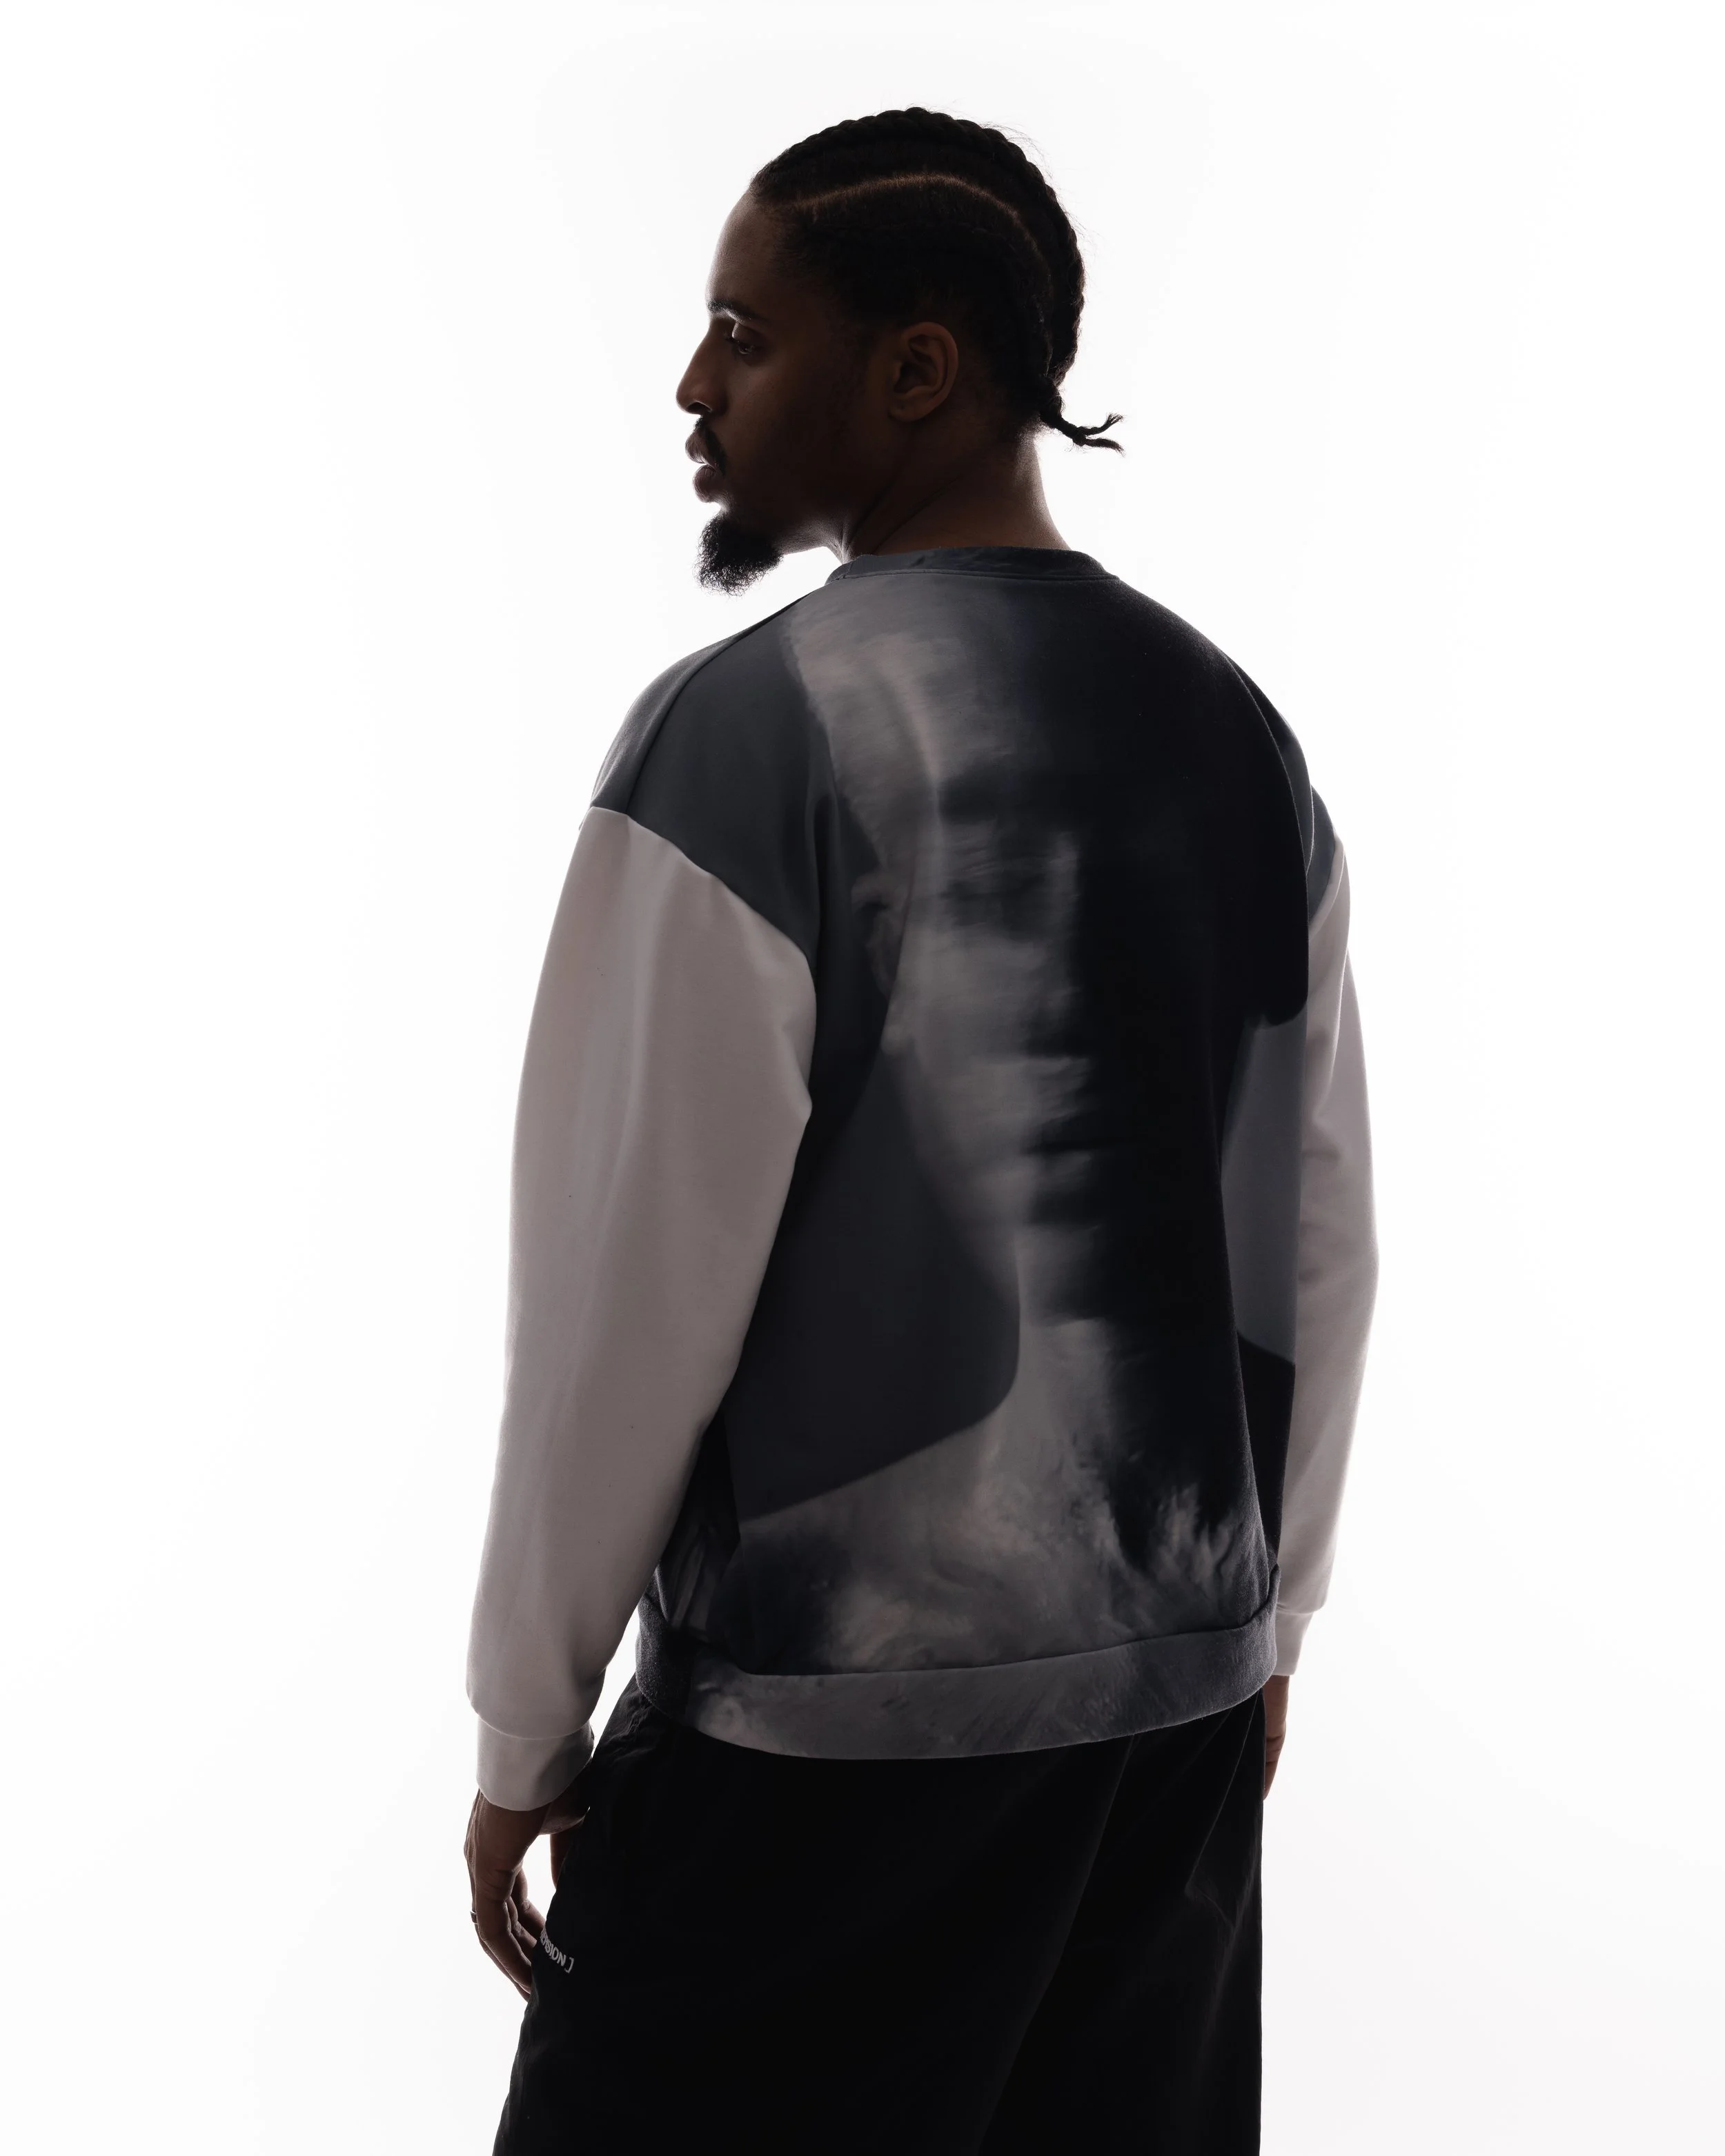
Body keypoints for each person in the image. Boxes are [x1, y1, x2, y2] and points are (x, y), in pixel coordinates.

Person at [463, 107, 1376, 2155]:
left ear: (917, 366)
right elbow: (1314, 1232)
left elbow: (626, 1291)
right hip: (1164, 1724)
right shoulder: (1235, 736)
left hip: (822, 1750)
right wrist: (1270, 1622)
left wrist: (528, 1721)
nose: (693, 386)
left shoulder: (747, 733)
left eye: (743, 333)